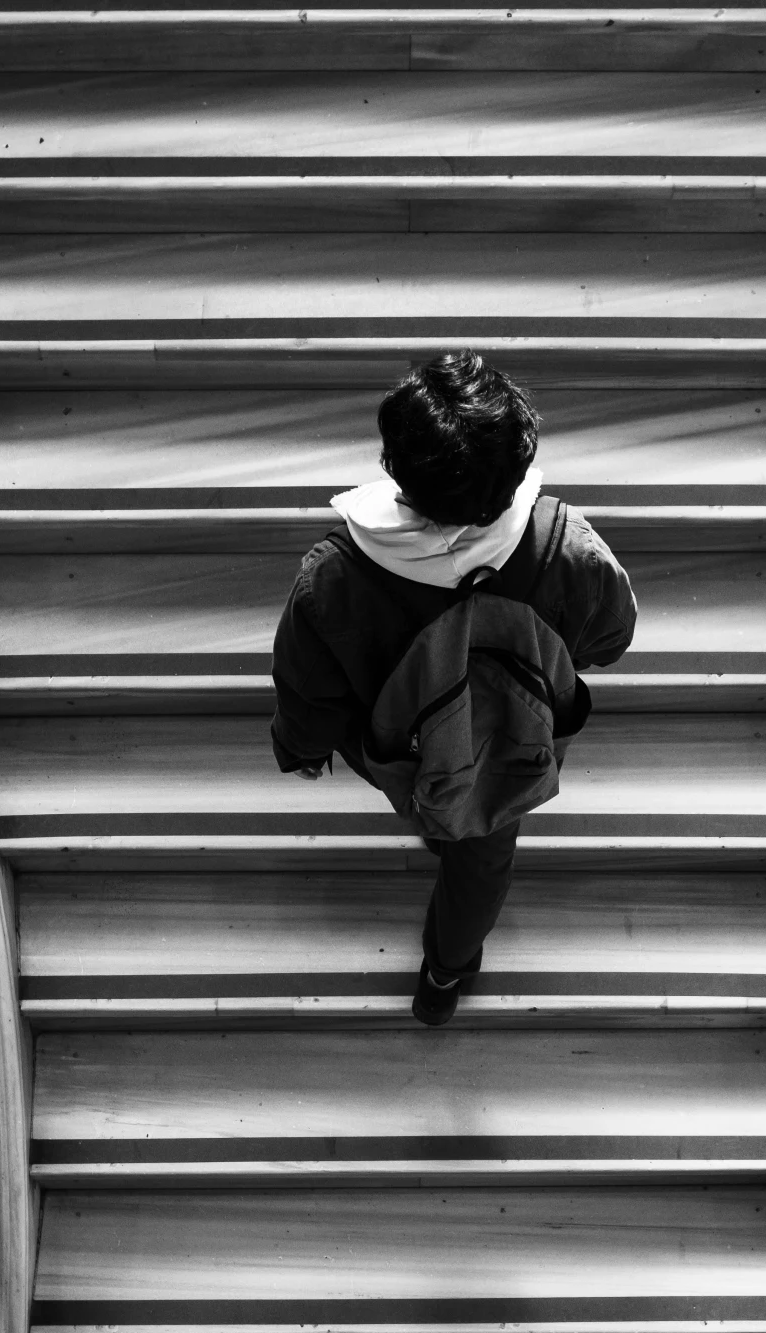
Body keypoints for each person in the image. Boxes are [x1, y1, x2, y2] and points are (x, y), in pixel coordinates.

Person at [270, 352, 640, 1025]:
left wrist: (301, 749)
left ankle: (432, 825)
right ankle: (446, 969)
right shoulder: (566, 546)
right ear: (517, 471)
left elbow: (309, 690)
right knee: (482, 861)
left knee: (425, 800)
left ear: (395, 469)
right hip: (509, 748)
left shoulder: (333, 577)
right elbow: (612, 637)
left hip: (398, 752)